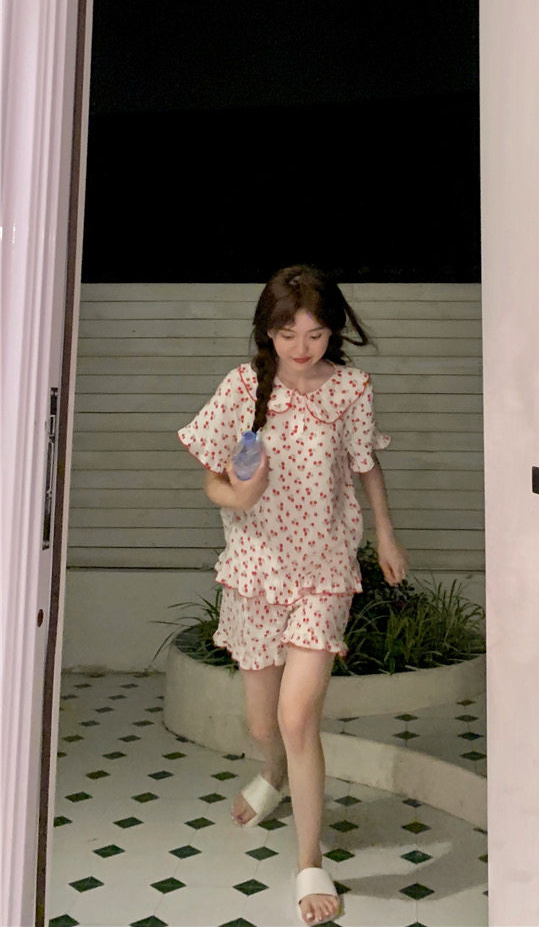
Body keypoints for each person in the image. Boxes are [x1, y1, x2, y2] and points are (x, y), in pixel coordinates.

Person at [178, 265, 408, 926]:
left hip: (325, 568)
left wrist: (385, 534)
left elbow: (365, 465)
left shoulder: (351, 389)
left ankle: (309, 861)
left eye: (315, 333)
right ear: (268, 332)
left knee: (298, 715)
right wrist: (236, 494)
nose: (302, 347)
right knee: (263, 726)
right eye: (288, 334)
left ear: (333, 330)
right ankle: (272, 774)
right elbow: (213, 479)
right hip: (255, 570)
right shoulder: (243, 387)